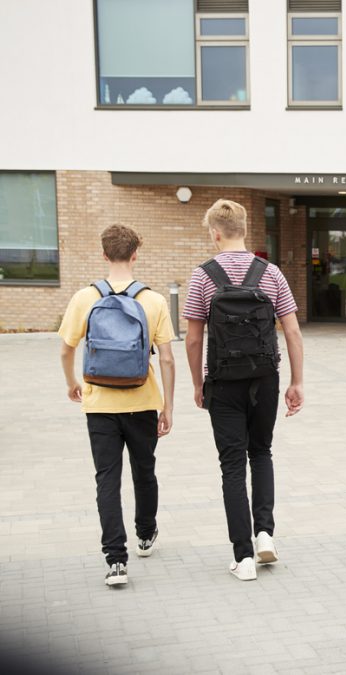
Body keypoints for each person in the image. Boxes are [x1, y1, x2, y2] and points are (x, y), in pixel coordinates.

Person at [183, 199, 304, 582]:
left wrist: (197, 382)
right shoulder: (271, 273)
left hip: (222, 381)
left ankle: (243, 557)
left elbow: (192, 338)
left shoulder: (203, 276)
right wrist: (296, 381)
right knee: (262, 451)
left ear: (214, 233)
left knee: (232, 464)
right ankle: (265, 532)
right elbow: (293, 331)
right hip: (265, 378)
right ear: (246, 230)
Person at [58, 224, 176, 587]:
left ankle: (116, 561)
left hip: (99, 404)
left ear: (104, 255)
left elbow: (66, 349)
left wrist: (72, 384)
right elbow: (168, 359)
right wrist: (167, 407)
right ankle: (145, 534)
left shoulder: (84, 298)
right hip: (142, 402)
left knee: (107, 479)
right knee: (145, 471)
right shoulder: (153, 301)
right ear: (136, 254)